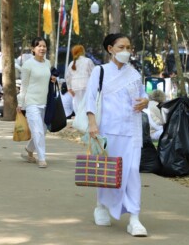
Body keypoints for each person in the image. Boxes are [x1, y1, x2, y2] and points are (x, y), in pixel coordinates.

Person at [85, 33, 149, 237]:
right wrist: (92, 124)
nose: (126, 51)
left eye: (128, 47)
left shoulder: (134, 73)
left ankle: (134, 218)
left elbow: (143, 95)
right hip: (108, 130)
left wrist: (145, 101)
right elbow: (90, 98)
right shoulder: (100, 71)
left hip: (132, 131)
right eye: (121, 47)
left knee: (132, 171)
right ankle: (101, 206)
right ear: (110, 49)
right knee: (108, 171)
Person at [16, 37, 55, 168]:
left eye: (44, 46)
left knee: (43, 130)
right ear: (33, 49)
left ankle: (29, 149)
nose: (42, 48)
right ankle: (42, 158)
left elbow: (47, 80)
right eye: (39, 46)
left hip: (45, 102)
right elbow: (24, 86)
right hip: (31, 102)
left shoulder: (48, 63)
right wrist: (20, 103)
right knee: (37, 131)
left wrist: (53, 79)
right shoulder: (28, 65)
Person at [65, 44, 95, 108]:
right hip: (86, 86)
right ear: (82, 52)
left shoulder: (71, 63)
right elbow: (94, 74)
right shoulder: (88, 61)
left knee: (78, 107)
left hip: (75, 88)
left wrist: (69, 88)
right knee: (87, 107)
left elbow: (68, 77)